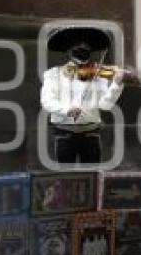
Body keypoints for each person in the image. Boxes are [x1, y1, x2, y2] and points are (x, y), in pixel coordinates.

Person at [41, 26, 125, 164]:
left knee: (92, 173)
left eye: (86, 46)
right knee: (66, 175)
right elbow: (47, 101)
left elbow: (105, 105)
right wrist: (67, 110)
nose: (82, 49)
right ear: (69, 51)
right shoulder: (53, 74)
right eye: (77, 46)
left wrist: (116, 84)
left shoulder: (98, 74)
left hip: (91, 133)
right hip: (64, 134)